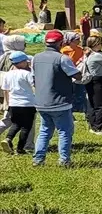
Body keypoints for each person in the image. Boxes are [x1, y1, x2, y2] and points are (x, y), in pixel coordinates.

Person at [31, 30, 82, 167]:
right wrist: (81, 64)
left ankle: (38, 159)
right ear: (61, 43)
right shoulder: (62, 58)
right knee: (65, 131)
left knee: (44, 131)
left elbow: (34, 79)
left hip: (41, 101)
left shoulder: (35, 57)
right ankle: (64, 160)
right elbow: (77, 76)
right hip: (60, 101)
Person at [81, 35, 102, 135]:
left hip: (90, 80)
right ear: (96, 44)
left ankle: (93, 126)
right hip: (99, 81)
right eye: (100, 43)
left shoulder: (89, 54)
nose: (101, 45)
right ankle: (99, 128)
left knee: (92, 103)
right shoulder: (97, 55)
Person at [2, 51, 36, 154]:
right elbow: (34, 86)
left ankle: (8, 138)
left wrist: (8, 103)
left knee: (16, 124)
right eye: (26, 61)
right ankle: (20, 149)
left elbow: (5, 90)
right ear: (21, 62)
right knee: (26, 127)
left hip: (13, 104)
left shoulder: (8, 74)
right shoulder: (27, 74)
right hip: (28, 104)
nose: (27, 63)